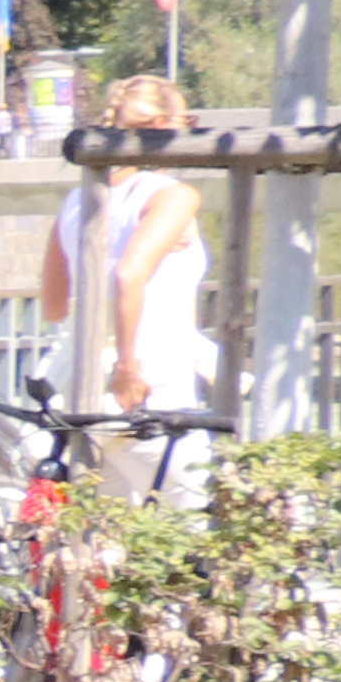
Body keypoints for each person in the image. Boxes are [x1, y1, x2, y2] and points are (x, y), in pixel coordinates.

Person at [45, 71, 218, 501]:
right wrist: (127, 364)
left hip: (81, 387)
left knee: (106, 541)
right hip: (149, 388)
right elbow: (129, 275)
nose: (189, 131)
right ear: (161, 127)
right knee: (198, 522)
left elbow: (53, 302)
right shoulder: (171, 196)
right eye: (186, 121)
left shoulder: (78, 200)